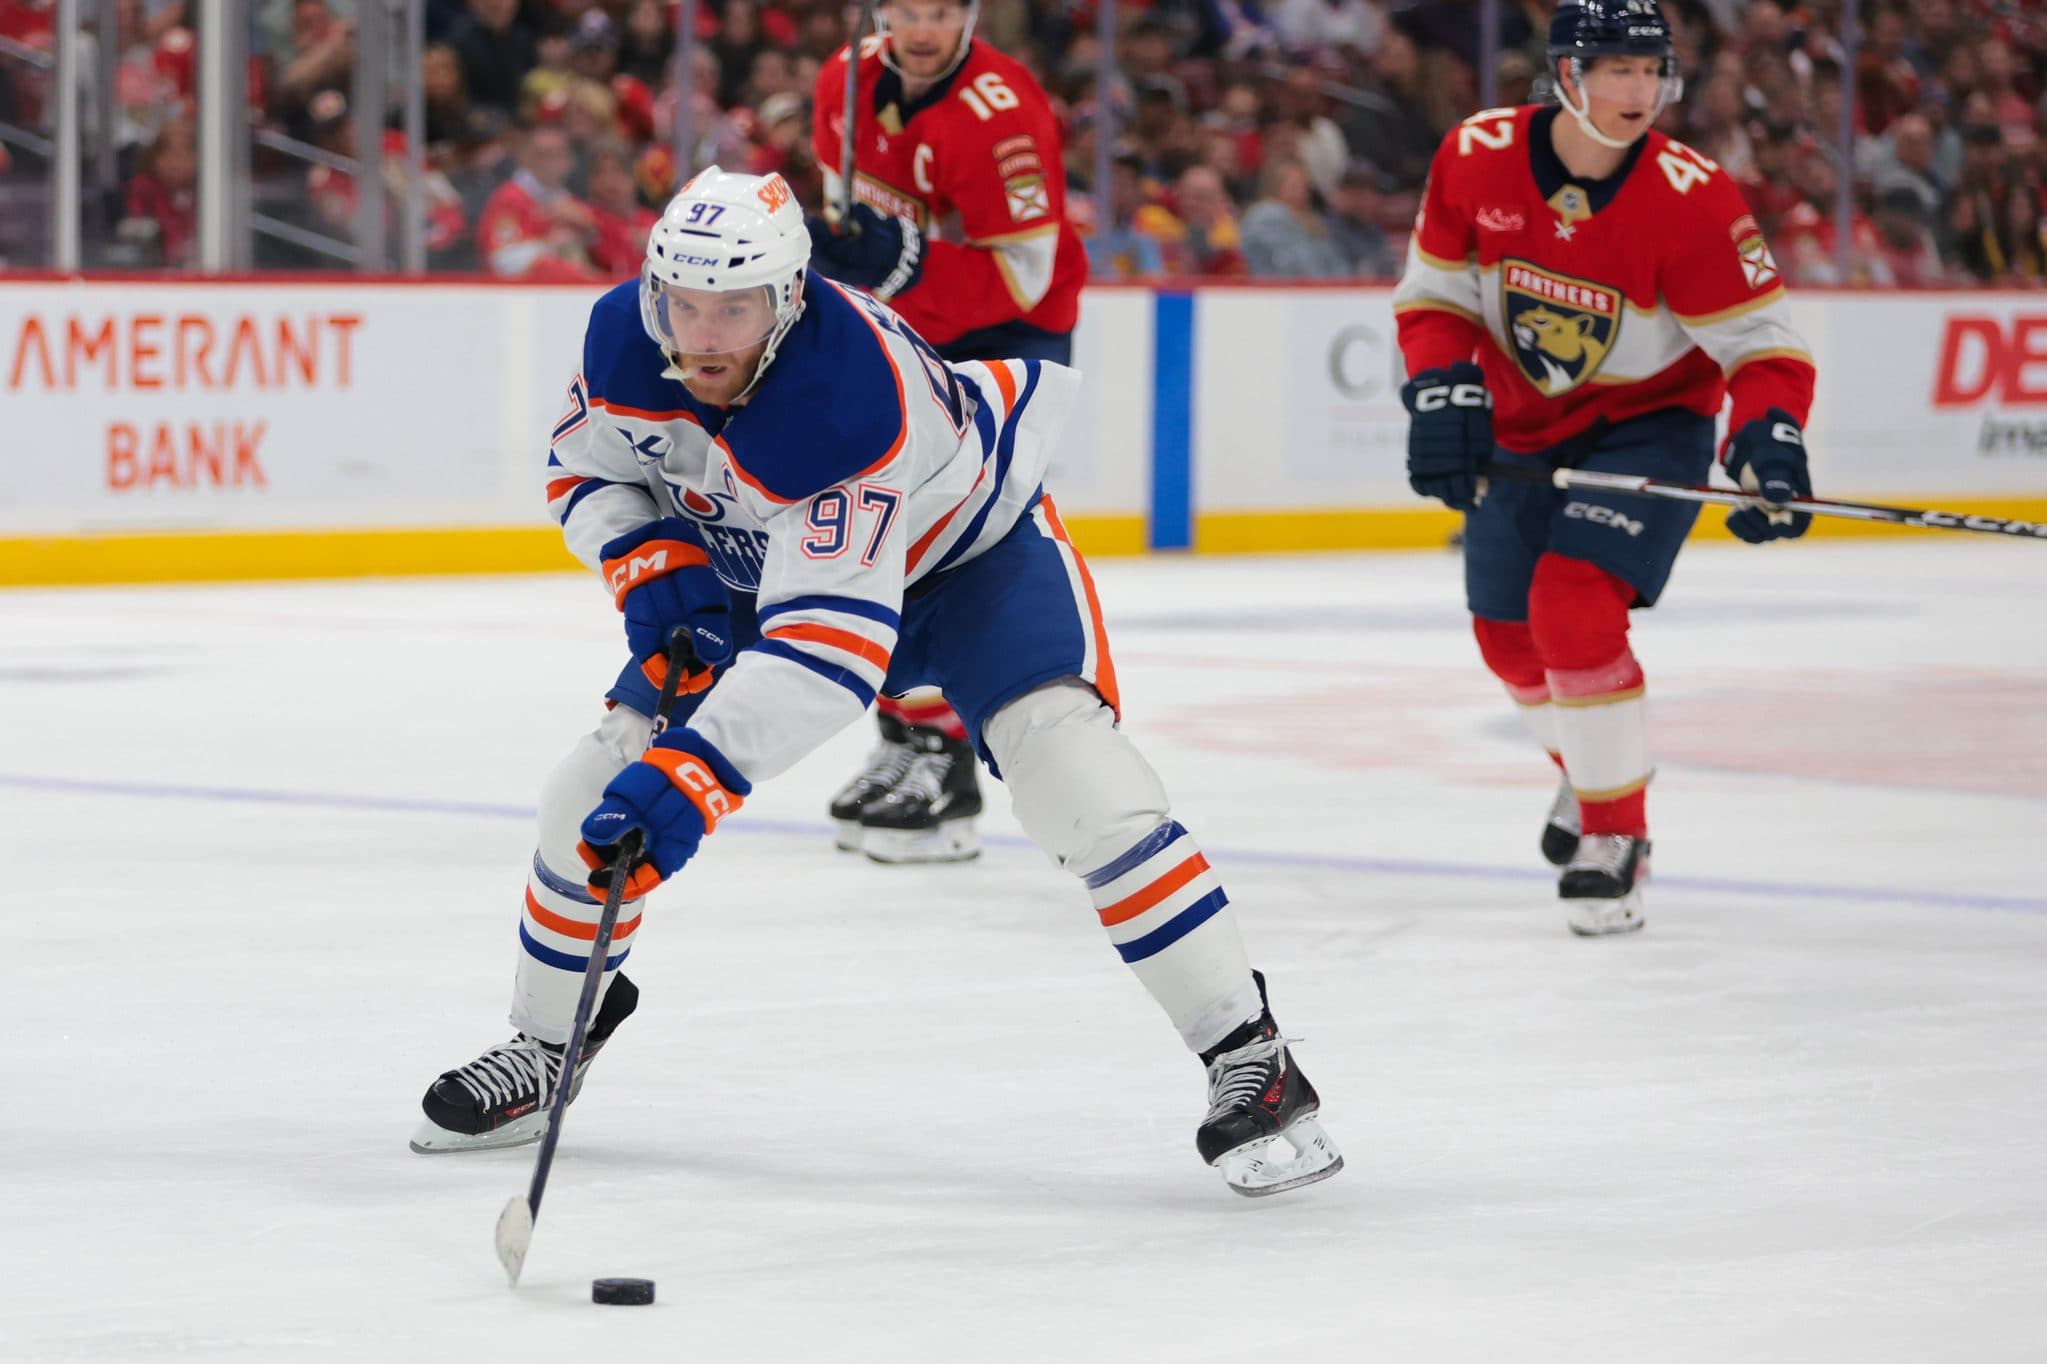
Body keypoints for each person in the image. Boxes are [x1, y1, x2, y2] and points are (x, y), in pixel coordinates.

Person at [407, 168, 1342, 1199]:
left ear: (793, 296)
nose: (704, 334)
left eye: (736, 306)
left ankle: (1250, 1053)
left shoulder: (845, 394)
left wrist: (696, 776)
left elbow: (828, 654)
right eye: (684, 302)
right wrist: (651, 564)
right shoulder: (625, 337)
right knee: (584, 793)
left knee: (1082, 784)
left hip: (969, 563)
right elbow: (586, 468)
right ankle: (547, 1044)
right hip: (765, 562)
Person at [1392, 0, 1817, 937]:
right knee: (1507, 643)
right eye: (1614, 69)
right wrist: (1438, 390)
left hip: (1647, 423)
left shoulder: (1692, 196)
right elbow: (1434, 296)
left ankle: (1613, 837)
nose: (1638, 91)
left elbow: (1761, 348)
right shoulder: (1475, 156)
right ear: (1564, 75)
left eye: (1650, 69)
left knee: (1570, 605)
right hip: (1521, 421)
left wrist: (1770, 433)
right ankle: (1594, 774)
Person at [803, 0, 1089, 865]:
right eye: (906, 10)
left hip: (1003, 333)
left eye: (939, 11)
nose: (921, 30)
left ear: (968, 14)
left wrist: (902, 267)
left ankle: (949, 756)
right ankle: (908, 731)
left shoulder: (1002, 115)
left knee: (948, 540)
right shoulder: (842, 80)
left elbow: (1026, 276)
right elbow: (847, 218)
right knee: (871, 523)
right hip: (909, 317)